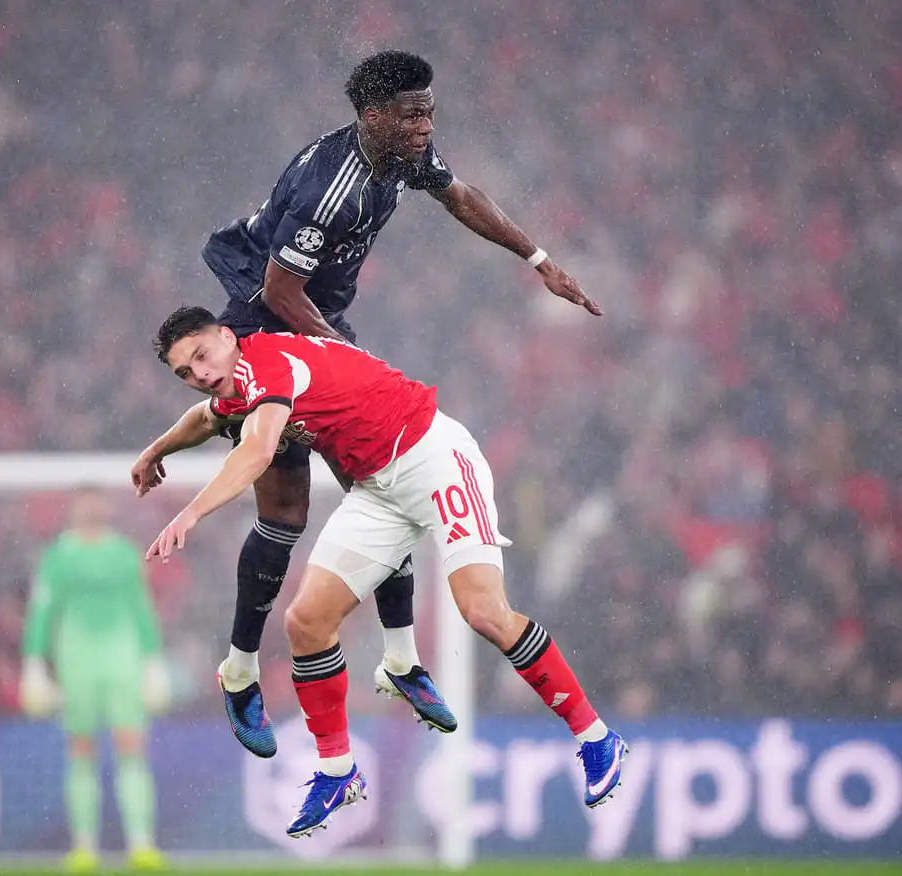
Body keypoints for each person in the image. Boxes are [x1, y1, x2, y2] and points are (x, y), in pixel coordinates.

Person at [132, 50, 601, 757]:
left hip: (314, 317)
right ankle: (238, 671)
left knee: (378, 480)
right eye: (413, 114)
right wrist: (346, 360)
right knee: (285, 508)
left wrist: (538, 261)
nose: (426, 125)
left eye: (429, 112)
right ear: (373, 117)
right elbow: (281, 291)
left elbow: (462, 195)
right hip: (266, 321)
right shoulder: (331, 189)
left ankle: (403, 660)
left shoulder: (403, 154)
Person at [136, 306, 626, 837]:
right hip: (379, 492)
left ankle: (595, 735)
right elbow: (208, 418)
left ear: (228, 337)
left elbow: (255, 451)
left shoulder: (269, 363)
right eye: (185, 372)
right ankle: (337, 770)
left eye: (203, 356)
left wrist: (189, 513)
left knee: (483, 612)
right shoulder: (235, 383)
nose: (201, 375)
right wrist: (156, 449)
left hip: (435, 460)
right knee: (306, 622)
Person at [19, 490, 170, 872]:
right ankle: (84, 846)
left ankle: (141, 844)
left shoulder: (123, 553)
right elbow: (43, 610)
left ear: (106, 508)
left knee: (131, 748)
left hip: (122, 659)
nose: (92, 509)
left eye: (97, 501)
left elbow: (141, 607)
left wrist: (153, 659)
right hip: (77, 660)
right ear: (73, 509)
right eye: (85, 502)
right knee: (82, 750)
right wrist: (34, 662)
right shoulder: (58, 556)